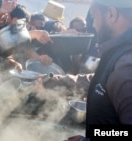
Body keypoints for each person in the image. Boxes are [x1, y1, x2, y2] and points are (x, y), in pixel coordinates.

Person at [44, 0, 132, 140]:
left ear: (111, 14)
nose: (93, 25)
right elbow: (99, 81)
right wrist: (55, 80)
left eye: (94, 17)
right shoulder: (118, 53)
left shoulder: (126, 67)